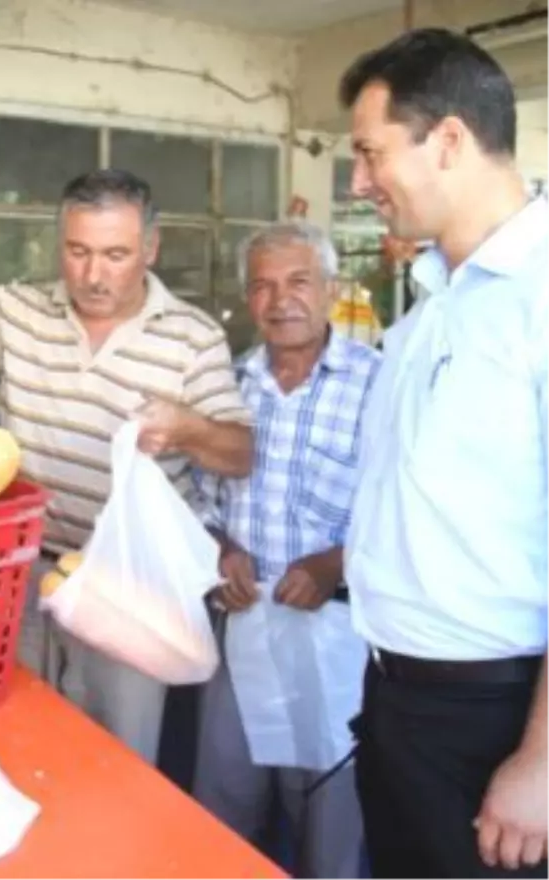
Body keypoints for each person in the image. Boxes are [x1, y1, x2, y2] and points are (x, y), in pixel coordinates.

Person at [0, 168, 254, 765]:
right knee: (16, 747)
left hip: (127, 590)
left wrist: (188, 426)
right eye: (78, 252)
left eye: (115, 254)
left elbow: (239, 454)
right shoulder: (19, 309)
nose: (93, 274)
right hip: (21, 579)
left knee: (117, 762)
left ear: (150, 250)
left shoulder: (192, 337)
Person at [339, 28, 549, 879]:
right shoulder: (430, 306)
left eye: (368, 153)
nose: (357, 182)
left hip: (497, 716)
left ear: (450, 140)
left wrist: (541, 763)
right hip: (396, 697)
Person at [192, 221, 379, 880]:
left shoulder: (378, 384)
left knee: (328, 816)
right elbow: (200, 499)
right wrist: (217, 549)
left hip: (335, 638)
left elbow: (404, 514)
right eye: (263, 286)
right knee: (223, 802)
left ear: (331, 290)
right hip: (242, 626)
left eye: (299, 282)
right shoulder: (224, 387)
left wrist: (336, 564)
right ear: (249, 300)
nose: (281, 300)